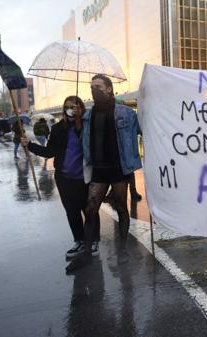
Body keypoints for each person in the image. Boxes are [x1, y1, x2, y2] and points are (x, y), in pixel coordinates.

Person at [66, 74, 142, 272]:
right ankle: (87, 254)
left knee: (122, 208)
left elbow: (145, 130)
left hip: (119, 169)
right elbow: (81, 140)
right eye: (92, 86)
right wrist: (76, 123)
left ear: (109, 89)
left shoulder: (127, 113)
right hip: (98, 170)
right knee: (90, 209)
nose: (94, 89)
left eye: (98, 86)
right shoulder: (87, 116)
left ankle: (123, 250)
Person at [22, 96, 100, 260]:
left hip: (85, 177)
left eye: (74, 106)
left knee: (90, 210)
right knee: (72, 212)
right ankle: (79, 240)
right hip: (64, 178)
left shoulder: (88, 126)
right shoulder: (58, 128)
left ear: (81, 108)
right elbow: (49, 152)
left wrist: (81, 123)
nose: (71, 109)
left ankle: (92, 240)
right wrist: (29, 145)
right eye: (68, 107)